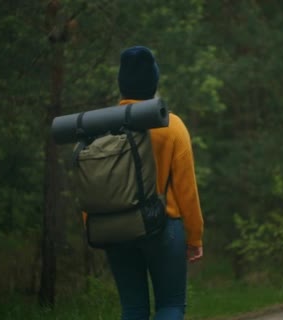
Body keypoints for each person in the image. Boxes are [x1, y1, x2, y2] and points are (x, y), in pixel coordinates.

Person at [105, 45, 204, 320]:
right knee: (170, 305)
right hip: (163, 228)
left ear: (122, 84)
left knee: (133, 309)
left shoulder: (100, 125)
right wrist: (194, 236)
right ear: (154, 82)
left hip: (114, 228)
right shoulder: (172, 127)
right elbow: (187, 191)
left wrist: (95, 224)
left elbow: (93, 180)